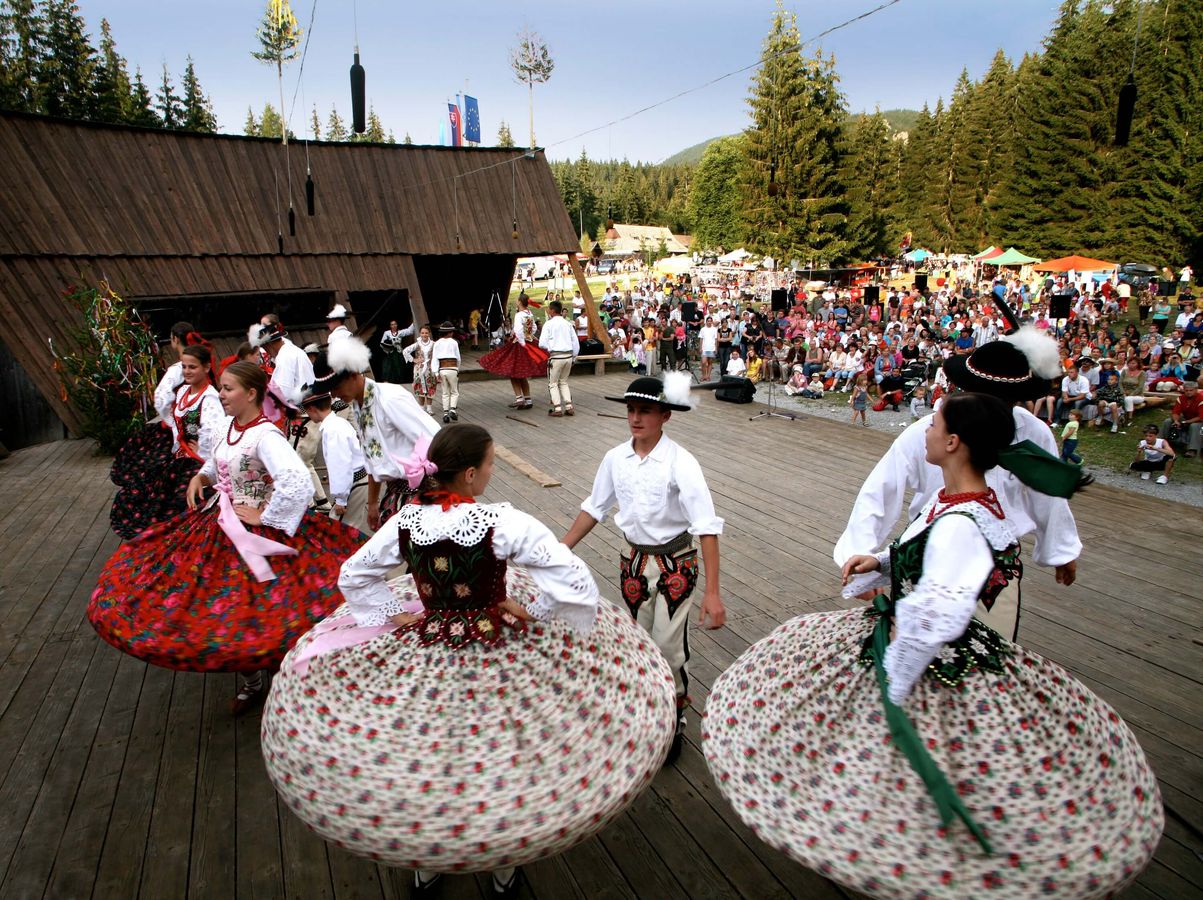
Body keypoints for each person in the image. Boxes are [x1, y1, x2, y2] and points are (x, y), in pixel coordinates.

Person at [704, 393, 1162, 899]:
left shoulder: (961, 525)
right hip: (926, 644)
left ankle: (920, 864)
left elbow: (939, 609)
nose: (923, 431)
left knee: (915, 763)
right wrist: (879, 563)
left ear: (952, 442)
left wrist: (891, 681)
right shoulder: (961, 502)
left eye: (933, 425)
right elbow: (920, 553)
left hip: (930, 666)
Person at [261, 424, 676, 895]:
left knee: (424, 747)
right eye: (493, 464)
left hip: (427, 647)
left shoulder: (405, 521)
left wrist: (394, 616)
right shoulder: (502, 521)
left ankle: (428, 863)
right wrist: (532, 608)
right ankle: (500, 867)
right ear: (473, 475)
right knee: (498, 748)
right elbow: (574, 580)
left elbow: (353, 574)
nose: (494, 471)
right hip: (492, 650)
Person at [88, 361, 363, 713]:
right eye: (222, 388)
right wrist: (200, 478)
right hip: (219, 526)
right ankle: (253, 681)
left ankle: (287, 679)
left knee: (269, 606)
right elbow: (218, 458)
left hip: (259, 533)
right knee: (230, 607)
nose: (222, 394)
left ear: (251, 393)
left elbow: (296, 481)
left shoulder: (266, 436)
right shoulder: (230, 427)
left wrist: (266, 514)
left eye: (229, 388)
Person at [835, 324, 1082, 641]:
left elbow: (1048, 495)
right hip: (922, 566)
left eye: (1007, 402)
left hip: (991, 579)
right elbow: (881, 490)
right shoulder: (927, 431)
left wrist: (1061, 549)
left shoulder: (1033, 434)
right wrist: (863, 555)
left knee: (980, 657)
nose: (996, 412)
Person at [563, 374, 726, 764]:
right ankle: (646, 714)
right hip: (633, 562)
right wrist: (560, 549)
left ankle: (673, 721)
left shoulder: (681, 462)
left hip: (675, 565)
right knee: (638, 645)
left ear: (665, 415)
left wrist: (714, 592)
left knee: (669, 650)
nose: (636, 418)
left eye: (646, 411)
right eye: (631, 410)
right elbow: (595, 507)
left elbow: (706, 526)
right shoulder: (615, 458)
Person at [315, 337, 440, 531]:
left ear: (354, 373)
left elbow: (436, 440)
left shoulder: (391, 398)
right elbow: (372, 459)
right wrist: (372, 503)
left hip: (422, 493)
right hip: (395, 493)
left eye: (336, 387)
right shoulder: (358, 405)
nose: (334, 395)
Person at [110, 328, 222, 541]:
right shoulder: (182, 392)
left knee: (181, 508)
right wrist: (175, 433)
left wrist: (202, 452)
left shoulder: (210, 399)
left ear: (206, 368)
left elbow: (213, 434)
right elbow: (169, 410)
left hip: (198, 462)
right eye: (185, 367)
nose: (187, 372)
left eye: (193, 367)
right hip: (179, 457)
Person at [301, 390, 371, 534]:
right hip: (356, 480)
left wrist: (341, 499)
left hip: (352, 482)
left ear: (312, 409)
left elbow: (340, 465)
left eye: (307, 411)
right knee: (349, 529)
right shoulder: (338, 423)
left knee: (340, 532)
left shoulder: (332, 430)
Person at [478, 294, 547, 410]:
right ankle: (528, 399)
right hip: (528, 341)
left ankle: (519, 398)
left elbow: (519, 330)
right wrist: (529, 336)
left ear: (520, 302)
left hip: (520, 345)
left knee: (513, 371)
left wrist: (522, 343)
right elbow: (533, 328)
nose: (516, 302)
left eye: (517, 300)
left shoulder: (519, 314)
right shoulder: (529, 313)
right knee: (521, 373)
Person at [538, 299, 579, 417]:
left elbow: (541, 343)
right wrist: (574, 357)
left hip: (556, 356)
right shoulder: (568, 324)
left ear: (551, 310)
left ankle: (557, 408)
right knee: (564, 381)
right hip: (568, 356)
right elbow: (575, 342)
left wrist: (551, 347)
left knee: (553, 383)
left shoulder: (549, 324)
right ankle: (569, 406)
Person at [430, 322, 461, 424]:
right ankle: (452, 409)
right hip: (452, 368)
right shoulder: (454, 342)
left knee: (445, 392)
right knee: (454, 391)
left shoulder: (437, 343)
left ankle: (445, 414)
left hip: (442, 369)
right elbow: (458, 358)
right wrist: (457, 369)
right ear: (450, 333)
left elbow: (434, 359)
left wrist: (436, 373)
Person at [1161, 379, 1202, 457]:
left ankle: (1192, 450)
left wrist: (1186, 422)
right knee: (1168, 421)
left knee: (1194, 426)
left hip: (1199, 421)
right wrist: (1176, 420)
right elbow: (1176, 412)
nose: (1188, 392)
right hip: (1187, 419)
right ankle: (1162, 442)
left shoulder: (1201, 399)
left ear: (1196, 390)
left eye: (1191, 390)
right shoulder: (1181, 398)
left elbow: (1200, 417)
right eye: (1186, 390)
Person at [402, 324, 436, 414]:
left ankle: (429, 408)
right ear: (420, 334)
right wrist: (414, 360)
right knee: (420, 386)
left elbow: (437, 355)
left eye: (426, 333)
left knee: (430, 386)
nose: (424, 335)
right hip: (419, 368)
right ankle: (421, 408)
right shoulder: (417, 343)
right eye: (422, 333)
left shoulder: (433, 344)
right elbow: (405, 351)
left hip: (430, 368)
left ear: (429, 334)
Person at [378, 319, 414, 384]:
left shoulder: (400, 332)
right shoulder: (387, 333)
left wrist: (414, 321)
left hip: (399, 353)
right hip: (390, 354)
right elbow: (382, 343)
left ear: (397, 325)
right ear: (390, 326)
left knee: (400, 368)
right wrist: (388, 349)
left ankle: (401, 381)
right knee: (389, 368)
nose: (394, 326)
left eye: (395, 324)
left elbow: (409, 331)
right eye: (392, 324)